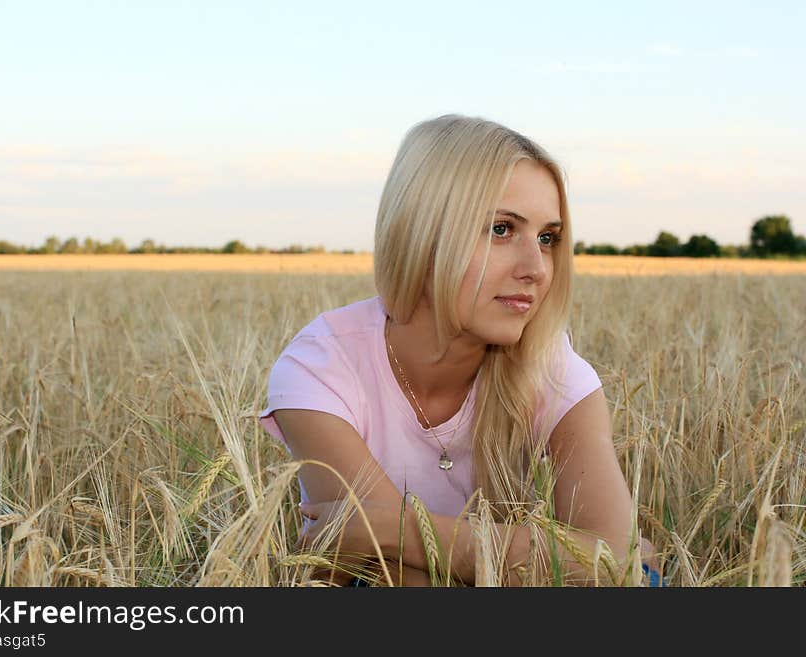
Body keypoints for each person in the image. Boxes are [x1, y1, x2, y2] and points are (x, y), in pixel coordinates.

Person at [258, 114, 663, 586]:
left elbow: (620, 564)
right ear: (421, 231)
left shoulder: (550, 365)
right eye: (501, 229)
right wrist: (558, 560)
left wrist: (391, 529)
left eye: (547, 238)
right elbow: (396, 582)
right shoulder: (321, 368)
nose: (537, 268)